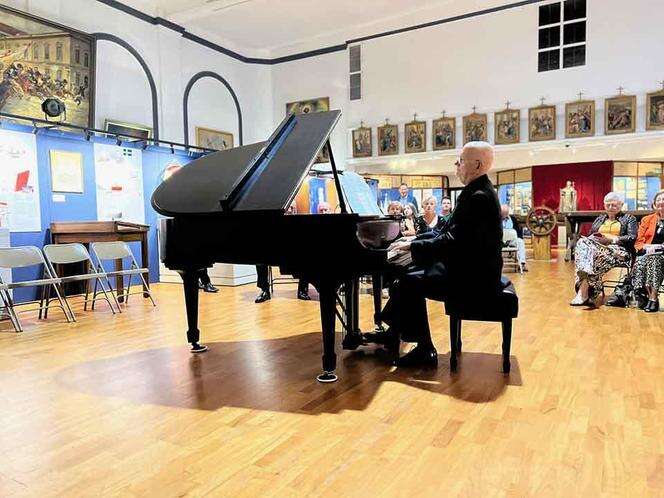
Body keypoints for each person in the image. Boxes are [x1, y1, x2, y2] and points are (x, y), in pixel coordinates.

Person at [370, 142, 503, 367]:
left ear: (477, 165)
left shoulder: (478, 196)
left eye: (460, 160)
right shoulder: (476, 191)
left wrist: (413, 248)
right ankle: (393, 331)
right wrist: (413, 240)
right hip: (473, 266)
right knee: (407, 274)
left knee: (409, 281)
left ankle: (424, 348)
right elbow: (444, 232)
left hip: (475, 276)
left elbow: (453, 241)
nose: (456, 164)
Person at [570, 192, 637, 307]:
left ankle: (584, 293)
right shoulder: (600, 219)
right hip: (597, 250)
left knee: (589, 257)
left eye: (614, 205)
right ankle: (586, 292)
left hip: (618, 251)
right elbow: (591, 235)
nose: (610, 208)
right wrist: (595, 239)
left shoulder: (629, 218)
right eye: (608, 205)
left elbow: (632, 237)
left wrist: (611, 240)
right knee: (584, 244)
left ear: (621, 205)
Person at [255, 201, 311, 303]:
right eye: (288, 207)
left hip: (293, 253)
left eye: (292, 208)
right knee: (260, 259)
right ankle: (264, 290)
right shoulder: (273, 222)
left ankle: (303, 290)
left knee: (306, 257)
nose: (289, 210)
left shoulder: (300, 222)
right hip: (277, 252)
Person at [631, 190, 664, 312]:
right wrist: (646, 247)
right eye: (659, 200)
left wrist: (659, 247)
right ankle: (645, 295)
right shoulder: (647, 219)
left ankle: (653, 298)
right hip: (648, 253)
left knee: (654, 258)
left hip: (661, 254)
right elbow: (638, 242)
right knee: (644, 260)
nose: (661, 202)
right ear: (654, 203)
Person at [500, 204, 528, 272]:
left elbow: (518, 232)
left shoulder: (513, 219)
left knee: (520, 241)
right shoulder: (496, 219)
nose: (504, 215)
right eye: (503, 213)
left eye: (505, 213)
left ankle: (522, 263)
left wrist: (519, 238)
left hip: (511, 240)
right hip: (500, 240)